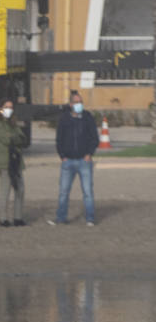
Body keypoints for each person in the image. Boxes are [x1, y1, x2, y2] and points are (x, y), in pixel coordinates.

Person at [52, 89, 98, 226]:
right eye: (76, 102)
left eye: (81, 102)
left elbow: (94, 138)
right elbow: (58, 139)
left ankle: (90, 218)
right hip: (68, 161)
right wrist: (62, 156)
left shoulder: (88, 117)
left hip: (84, 160)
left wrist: (89, 154)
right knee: (63, 192)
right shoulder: (64, 119)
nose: (79, 104)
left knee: (88, 192)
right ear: (71, 104)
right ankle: (61, 217)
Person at [0, 98, 27, 228]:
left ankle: (18, 217)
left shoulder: (13, 122)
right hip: (4, 161)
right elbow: (6, 139)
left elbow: (22, 138)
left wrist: (14, 138)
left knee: (20, 189)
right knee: (5, 190)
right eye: (6, 107)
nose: (9, 109)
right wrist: (14, 138)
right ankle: (3, 218)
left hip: (16, 160)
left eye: (11, 107)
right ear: (0, 108)